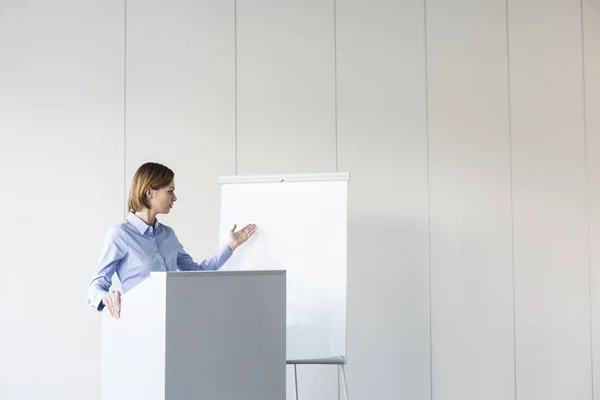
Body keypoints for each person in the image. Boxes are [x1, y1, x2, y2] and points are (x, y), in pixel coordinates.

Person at [86, 162, 256, 319]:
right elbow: (95, 287)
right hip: (139, 326)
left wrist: (231, 245)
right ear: (149, 192)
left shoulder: (168, 235)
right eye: (170, 191)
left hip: (174, 322)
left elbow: (196, 273)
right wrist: (106, 297)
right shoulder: (120, 234)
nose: (174, 198)